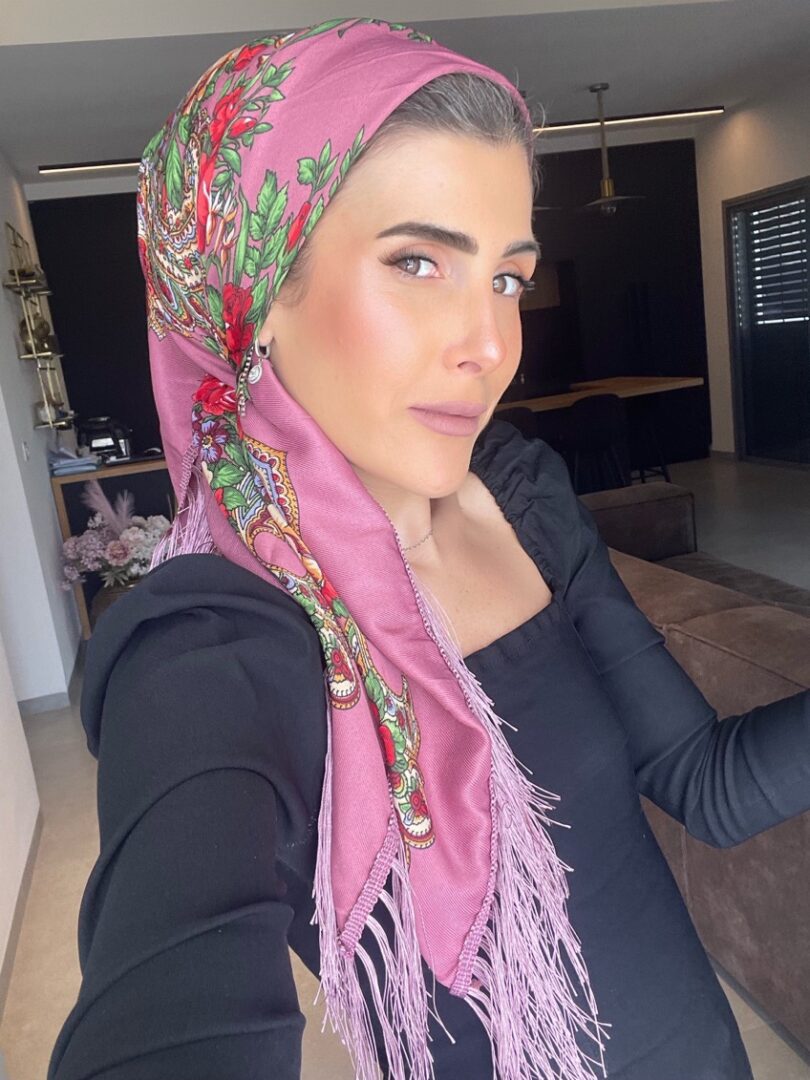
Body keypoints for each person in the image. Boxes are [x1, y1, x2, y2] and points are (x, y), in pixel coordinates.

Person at [47, 18, 810, 1080]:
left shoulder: (523, 497)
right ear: (256, 296)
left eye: (506, 278)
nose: (491, 346)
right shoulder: (209, 649)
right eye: (417, 262)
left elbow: (702, 780)